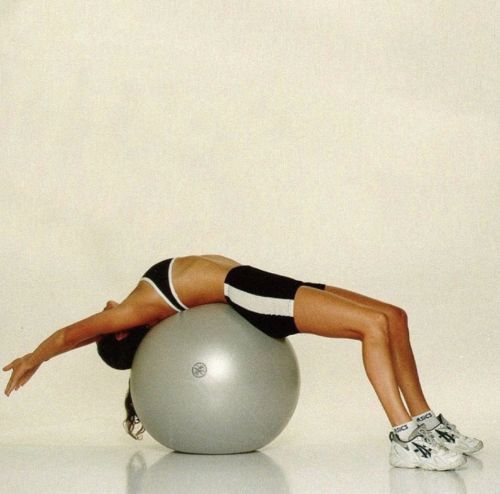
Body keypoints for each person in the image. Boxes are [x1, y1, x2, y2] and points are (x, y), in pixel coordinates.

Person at [3, 254, 483, 470]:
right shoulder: (134, 310)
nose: (104, 310)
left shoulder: (140, 302)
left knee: (392, 315)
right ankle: (403, 436)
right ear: (120, 333)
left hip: (256, 280)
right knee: (371, 328)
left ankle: (426, 422)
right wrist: (34, 357)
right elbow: (72, 333)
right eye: (106, 324)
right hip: (248, 293)